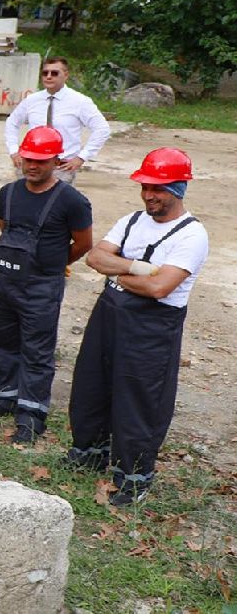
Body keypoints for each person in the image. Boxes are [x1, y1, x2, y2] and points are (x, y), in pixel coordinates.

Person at [67, 148, 208, 506]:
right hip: (110, 315)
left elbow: (161, 288)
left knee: (140, 398)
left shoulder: (191, 236)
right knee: (92, 382)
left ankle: (134, 475)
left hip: (152, 328)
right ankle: (89, 449)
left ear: (179, 188)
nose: (148, 195)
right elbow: (95, 257)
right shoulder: (132, 220)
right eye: (144, 186)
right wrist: (141, 269)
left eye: (157, 188)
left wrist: (119, 270)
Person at [0, 126, 93, 444]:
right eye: (28, 159)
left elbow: (84, 243)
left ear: (57, 160)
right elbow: (5, 228)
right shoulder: (8, 193)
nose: (32, 165)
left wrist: (55, 264)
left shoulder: (72, 201)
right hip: (2, 281)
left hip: (41, 287)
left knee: (36, 351)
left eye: (41, 160)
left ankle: (31, 416)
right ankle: (6, 397)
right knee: (0, 341)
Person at [3, 57, 111, 183]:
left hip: (61, 169)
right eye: (45, 73)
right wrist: (14, 151)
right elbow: (12, 122)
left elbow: (102, 128)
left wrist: (82, 157)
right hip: (31, 167)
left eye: (54, 73)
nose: (49, 77)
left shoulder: (80, 101)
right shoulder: (32, 100)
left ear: (65, 75)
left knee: (56, 202)